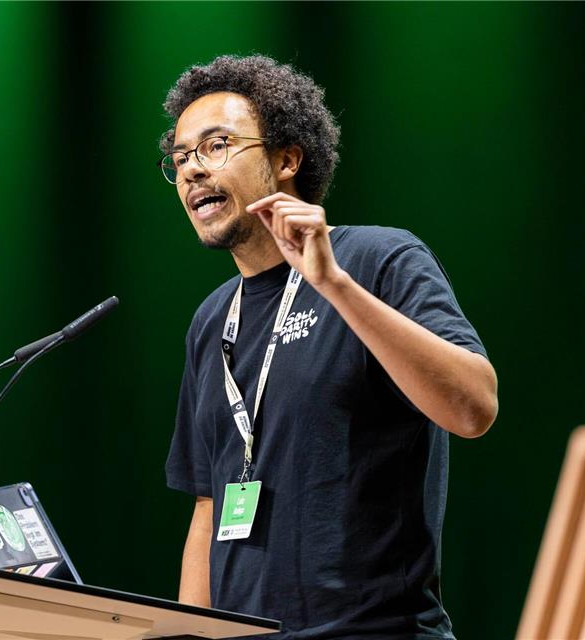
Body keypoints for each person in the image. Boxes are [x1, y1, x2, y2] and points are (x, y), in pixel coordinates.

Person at [161, 55, 498, 639]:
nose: (192, 171)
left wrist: (333, 284)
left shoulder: (378, 259)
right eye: (181, 158)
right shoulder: (211, 319)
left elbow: (474, 408)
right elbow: (209, 510)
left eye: (215, 146)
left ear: (287, 158)